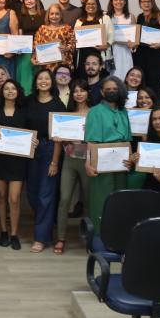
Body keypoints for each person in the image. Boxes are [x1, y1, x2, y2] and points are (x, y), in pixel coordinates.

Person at [83, 76, 132, 232]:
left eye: (115, 89)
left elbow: (128, 140)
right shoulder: (95, 112)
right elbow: (91, 141)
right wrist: (88, 163)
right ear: (102, 93)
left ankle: (116, 236)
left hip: (121, 164)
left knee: (120, 201)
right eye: (108, 89)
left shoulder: (123, 112)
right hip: (101, 163)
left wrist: (130, 159)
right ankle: (97, 237)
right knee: (101, 200)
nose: (112, 91)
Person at [25, 69, 65, 253]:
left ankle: (41, 238)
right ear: (35, 82)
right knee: (32, 194)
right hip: (31, 150)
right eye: (40, 78)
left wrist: (55, 162)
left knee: (45, 195)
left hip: (50, 150)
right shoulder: (28, 101)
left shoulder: (58, 105)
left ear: (52, 82)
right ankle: (47, 224)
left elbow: (59, 137)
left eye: (47, 78)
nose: (43, 81)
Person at [53, 79, 92, 254]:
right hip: (70, 159)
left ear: (88, 93)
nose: (79, 94)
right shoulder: (67, 114)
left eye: (82, 90)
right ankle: (61, 238)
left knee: (89, 201)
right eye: (75, 91)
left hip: (87, 161)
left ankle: (91, 238)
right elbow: (61, 139)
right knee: (64, 199)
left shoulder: (94, 113)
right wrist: (60, 138)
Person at [0, 79, 32, 250]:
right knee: (1, 198)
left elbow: (32, 133)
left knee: (14, 199)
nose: (10, 91)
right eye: (6, 89)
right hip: (0, 160)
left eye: (13, 88)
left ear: (18, 91)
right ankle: (3, 231)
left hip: (18, 160)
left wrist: (34, 141)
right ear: (1, 92)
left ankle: (14, 233)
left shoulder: (25, 111)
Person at [132, 0, 160, 89]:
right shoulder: (139, 17)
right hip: (141, 54)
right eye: (143, 1)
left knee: (156, 81)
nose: (146, 3)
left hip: (156, 54)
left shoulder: (159, 15)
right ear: (140, 3)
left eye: (149, 1)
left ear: (152, 2)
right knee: (143, 80)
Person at [16, 0, 46, 93]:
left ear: (36, 0)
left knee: (39, 76)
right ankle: (26, 97)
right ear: (24, 2)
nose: (29, 1)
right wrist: (18, 48)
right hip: (26, 51)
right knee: (26, 77)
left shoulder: (44, 14)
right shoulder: (21, 16)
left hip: (40, 49)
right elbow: (20, 34)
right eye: (27, 0)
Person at [74, 0, 113, 72]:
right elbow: (74, 38)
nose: (90, 6)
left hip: (99, 54)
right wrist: (76, 41)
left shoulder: (105, 18)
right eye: (88, 4)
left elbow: (111, 35)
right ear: (84, 6)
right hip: (83, 56)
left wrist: (106, 46)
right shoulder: (79, 21)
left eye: (93, 4)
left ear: (97, 5)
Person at [33, 4, 76, 72]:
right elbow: (36, 46)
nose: (54, 16)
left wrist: (66, 48)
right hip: (46, 66)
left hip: (63, 66)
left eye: (57, 14)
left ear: (61, 15)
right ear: (48, 15)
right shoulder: (42, 29)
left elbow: (73, 44)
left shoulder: (67, 28)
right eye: (52, 14)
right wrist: (34, 58)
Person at [107, 0, 135, 80]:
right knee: (112, 79)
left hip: (125, 53)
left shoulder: (131, 16)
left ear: (125, 1)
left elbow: (135, 38)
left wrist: (133, 45)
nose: (118, 2)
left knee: (127, 78)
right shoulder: (106, 17)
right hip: (111, 53)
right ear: (112, 2)